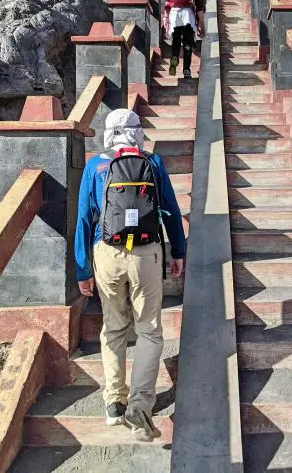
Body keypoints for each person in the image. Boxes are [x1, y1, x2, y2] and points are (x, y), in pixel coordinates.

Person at [75, 109, 185, 441]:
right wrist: (178, 251)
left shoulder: (96, 165)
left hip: (107, 254)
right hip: (147, 254)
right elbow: (170, 209)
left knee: (114, 327)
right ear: (138, 132)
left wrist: (82, 268)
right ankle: (140, 404)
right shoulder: (153, 163)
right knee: (149, 330)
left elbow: (84, 217)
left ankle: (113, 401)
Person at [164, 0, 205, 79]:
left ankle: (174, 57)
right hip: (187, 15)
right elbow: (199, 9)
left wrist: (166, 20)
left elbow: (167, 2)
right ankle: (186, 70)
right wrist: (202, 26)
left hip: (174, 14)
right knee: (188, 43)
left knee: (176, 40)